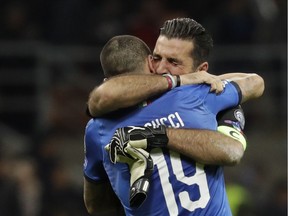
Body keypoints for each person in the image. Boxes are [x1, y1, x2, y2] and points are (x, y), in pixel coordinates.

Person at [83, 34, 263, 216]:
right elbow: (254, 82)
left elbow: (96, 206)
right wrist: (199, 80)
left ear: (105, 81)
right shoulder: (190, 95)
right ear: (150, 64)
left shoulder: (96, 130)